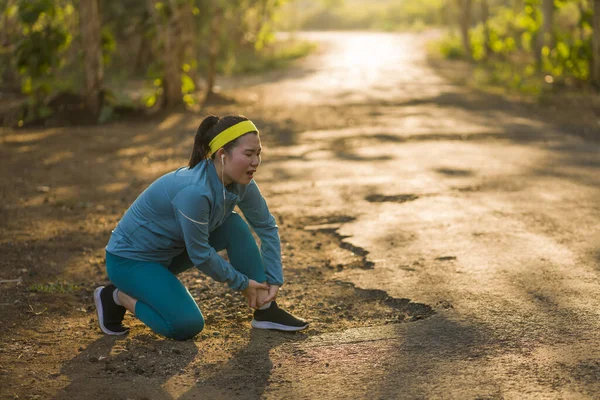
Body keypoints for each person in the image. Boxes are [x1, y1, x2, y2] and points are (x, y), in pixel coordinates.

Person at [94, 115, 308, 340]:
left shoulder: (241, 182)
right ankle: (117, 296)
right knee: (187, 325)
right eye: (248, 154)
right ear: (222, 155)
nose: (255, 162)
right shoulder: (194, 192)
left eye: (258, 153)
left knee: (233, 225)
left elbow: (266, 226)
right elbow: (199, 254)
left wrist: (274, 279)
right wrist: (242, 282)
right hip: (130, 261)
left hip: (170, 253)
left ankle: (265, 310)